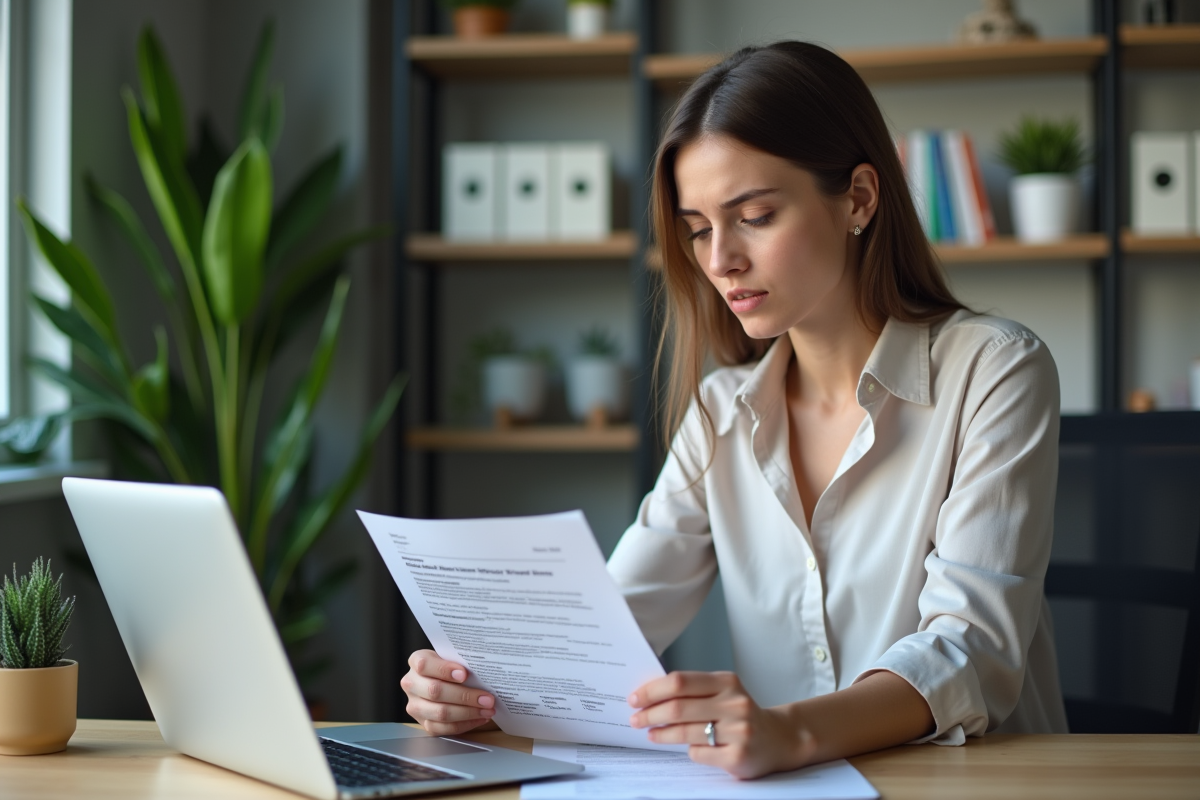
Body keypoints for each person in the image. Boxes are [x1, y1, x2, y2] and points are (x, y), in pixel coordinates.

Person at [400, 41, 1068, 779]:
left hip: (976, 784)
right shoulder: (722, 409)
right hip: (783, 788)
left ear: (860, 199)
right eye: (696, 229)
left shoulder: (996, 369)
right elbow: (610, 623)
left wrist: (793, 732)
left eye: (753, 215)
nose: (720, 260)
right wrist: (475, 687)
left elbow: (969, 646)